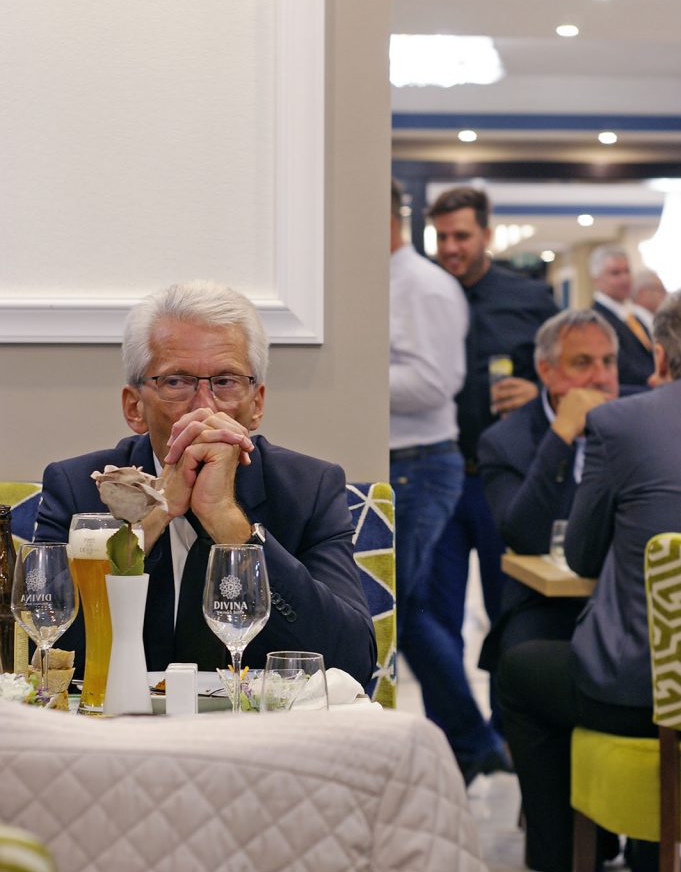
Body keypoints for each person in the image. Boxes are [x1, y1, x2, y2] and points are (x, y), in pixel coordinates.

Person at [34, 280, 376, 683]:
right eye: (176, 381)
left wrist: (227, 520)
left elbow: (352, 661)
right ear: (134, 406)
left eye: (225, 381)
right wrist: (153, 516)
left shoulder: (309, 488)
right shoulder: (78, 487)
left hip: (253, 720)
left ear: (257, 404)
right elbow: (46, 654)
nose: (203, 407)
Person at [497, 290, 681, 872]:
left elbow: (578, 554)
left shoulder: (624, 424)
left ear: (657, 356)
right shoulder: (523, 435)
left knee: (519, 674)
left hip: (644, 694)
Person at [425, 185, 556, 776]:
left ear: (486, 234)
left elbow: (568, 378)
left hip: (506, 482)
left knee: (511, 618)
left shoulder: (530, 298)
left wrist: (539, 391)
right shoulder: (422, 294)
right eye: (442, 237)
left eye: (462, 235)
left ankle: (511, 741)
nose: (451, 247)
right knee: (432, 617)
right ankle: (459, 745)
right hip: (437, 477)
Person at [477, 309, 619, 676]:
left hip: (626, 595)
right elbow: (526, 535)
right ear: (546, 370)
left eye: (608, 362)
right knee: (523, 660)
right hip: (548, 605)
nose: (601, 377)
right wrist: (561, 435)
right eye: (583, 363)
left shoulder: (637, 419)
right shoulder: (505, 441)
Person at [389, 179, 472, 771]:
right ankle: (474, 743)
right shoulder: (389, 281)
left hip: (420, 464)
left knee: (398, 610)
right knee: (408, 611)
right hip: (405, 464)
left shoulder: (423, 285)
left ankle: (473, 742)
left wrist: (353, 369)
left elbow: (435, 384)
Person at [590, 243, 654, 386]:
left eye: (627, 271)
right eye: (615, 273)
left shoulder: (634, 315)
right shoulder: (595, 320)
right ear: (596, 279)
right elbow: (621, 368)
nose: (625, 278)